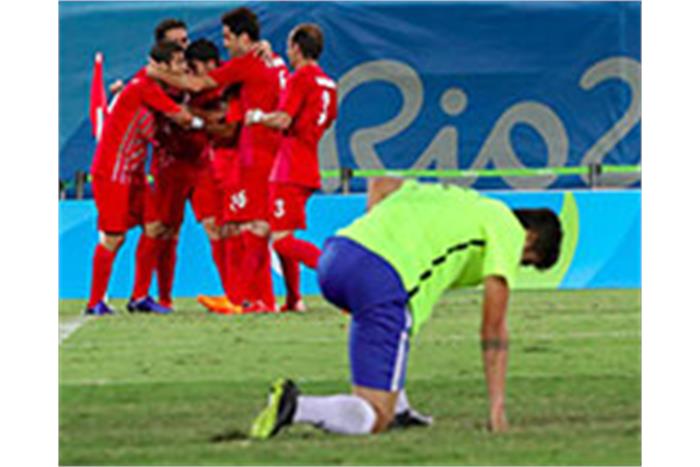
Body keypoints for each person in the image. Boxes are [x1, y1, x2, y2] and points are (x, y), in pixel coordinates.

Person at [249, 178, 563, 438]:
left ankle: (400, 408)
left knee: (395, 333)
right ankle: (297, 407)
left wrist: (377, 239)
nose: (517, 265)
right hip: (383, 279)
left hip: (337, 256)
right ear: (531, 237)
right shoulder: (508, 230)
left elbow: (380, 183)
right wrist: (497, 408)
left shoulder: (458, 199)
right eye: (526, 261)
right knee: (376, 415)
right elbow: (493, 329)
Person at [147, 7, 288, 313]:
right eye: (175, 44)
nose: (225, 44)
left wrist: (155, 73)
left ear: (244, 37)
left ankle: (254, 299)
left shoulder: (245, 64)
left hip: (253, 151)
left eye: (228, 37)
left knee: (251, 226)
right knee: (244, 226)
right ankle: (250, 298)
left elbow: (200, 88)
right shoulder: (272, 60)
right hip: (258, 150)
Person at [85, 41, 202, 316]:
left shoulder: (157, 87)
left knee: (155, 226)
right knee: (114, 237)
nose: (182, 68)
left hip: (135, 172)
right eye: (177, 63)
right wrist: (211, 122)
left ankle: (139, 296)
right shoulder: (143, 87)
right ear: (160, 66)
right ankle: (95, 302)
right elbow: (183, 118)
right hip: (113, 170)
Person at [244, 23, 338, 312]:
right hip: (308, 164)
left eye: (289, 46)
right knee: (279, 232)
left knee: (282, 242)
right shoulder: (328, 84)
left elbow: (284, 120)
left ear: (297, 48)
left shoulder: (302, 79)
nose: (288, 51)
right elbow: (325, 121)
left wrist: (258, 117)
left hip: (289, 168)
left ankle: (342, 275)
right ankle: (294, 299)